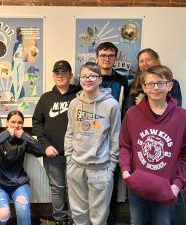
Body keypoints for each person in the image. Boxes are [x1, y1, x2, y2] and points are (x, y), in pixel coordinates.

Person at [123, 48, 185, 225]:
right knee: (137, 221)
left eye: (160, 83)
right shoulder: (132, 114)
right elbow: (125, 146)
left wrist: (177, 185)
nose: (155, 87)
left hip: (167, 185)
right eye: (150, 84)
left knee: (163, 222)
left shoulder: (182, 117)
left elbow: (184, 154)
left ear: (170, 86)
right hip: (137, 184)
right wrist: (127, 173)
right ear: (143, 87)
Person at [65, 62, 121, 225]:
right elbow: (70, 133)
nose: (88, 79)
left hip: (101, 168)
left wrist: (111, 167)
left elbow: (115, 137)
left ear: (100, 79)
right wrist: (69, 159)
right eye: (84, 76)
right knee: (78, 213)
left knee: (99, 216)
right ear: (80, 79)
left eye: (92, 76)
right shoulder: (74, 104)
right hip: (76, 167)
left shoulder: (112, 105)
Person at [32, 60, 80, 225]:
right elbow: (37, 122)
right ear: (53, 75)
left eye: (64, 72)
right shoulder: (46, 98)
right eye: (57, 73)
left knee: (77, 188)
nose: (60, 76)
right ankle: (59, 220)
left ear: (70, 75)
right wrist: (45, 145)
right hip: (52, 153)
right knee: (57, 188)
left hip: (76, 153)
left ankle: (75, 219)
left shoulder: (80, 95)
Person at [0, 110, 44, 225]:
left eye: (20, 122)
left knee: (23, 211)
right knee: (3, 214)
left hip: (20, 184)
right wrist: (6, 133)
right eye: (13, 122)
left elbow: (41, 151)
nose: (16, 125)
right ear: (7, 123)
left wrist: (25, 136)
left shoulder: (23, 141)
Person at [96, 42, 129, 225]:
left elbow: (125, 109)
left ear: (115, 58)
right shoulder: (91, 78)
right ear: (97, 57)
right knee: (93, 185)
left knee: (112, 184)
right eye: (103, 55)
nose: (106, 58)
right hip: (93, 139)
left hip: (114, 140)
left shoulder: (122, 81)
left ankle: (111, 221)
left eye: (110, 55)